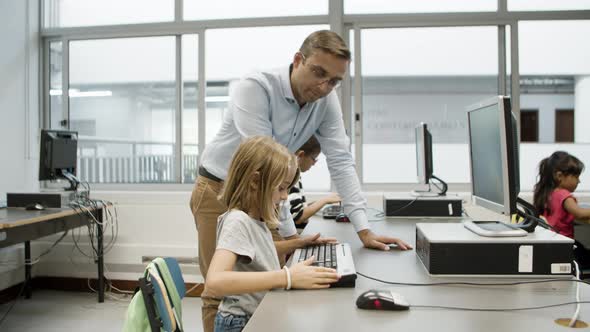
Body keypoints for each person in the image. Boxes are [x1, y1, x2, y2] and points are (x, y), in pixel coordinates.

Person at [190, 29, 412, 332]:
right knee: (220, 293)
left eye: (334, 81)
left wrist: (364, 230)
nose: (324, 86)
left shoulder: (325, 100)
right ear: (298, 60)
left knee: (268, 269)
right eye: (318, 73)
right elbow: (264, 165)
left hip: (267, 190)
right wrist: (289, 236)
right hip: (220, 188)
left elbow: (341, 160)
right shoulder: (256, 87)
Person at [205, 136, 340, 332]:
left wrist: (298, 244)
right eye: (281, 188)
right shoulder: (237, 221)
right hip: (240, 322)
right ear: (255, 181)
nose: (285, 196)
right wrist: (287, 277)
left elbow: (255, 252)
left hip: (253, 315)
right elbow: (215, 281)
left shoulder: (253, 219)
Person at [533, 151, 590, 267]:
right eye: (576, 176)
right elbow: (580, 214)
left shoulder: (546, 193)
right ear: (559, 176)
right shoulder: (563, 194)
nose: (579, 181)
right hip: (565, 248)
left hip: (552, 245)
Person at [288, 135, 340, 229]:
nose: (314, 163)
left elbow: (295, 209)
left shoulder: (296, 175)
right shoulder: (290, 177)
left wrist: (318, 204)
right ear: (301, 155)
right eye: (313, 158)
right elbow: (298, 217)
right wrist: (325, 200)